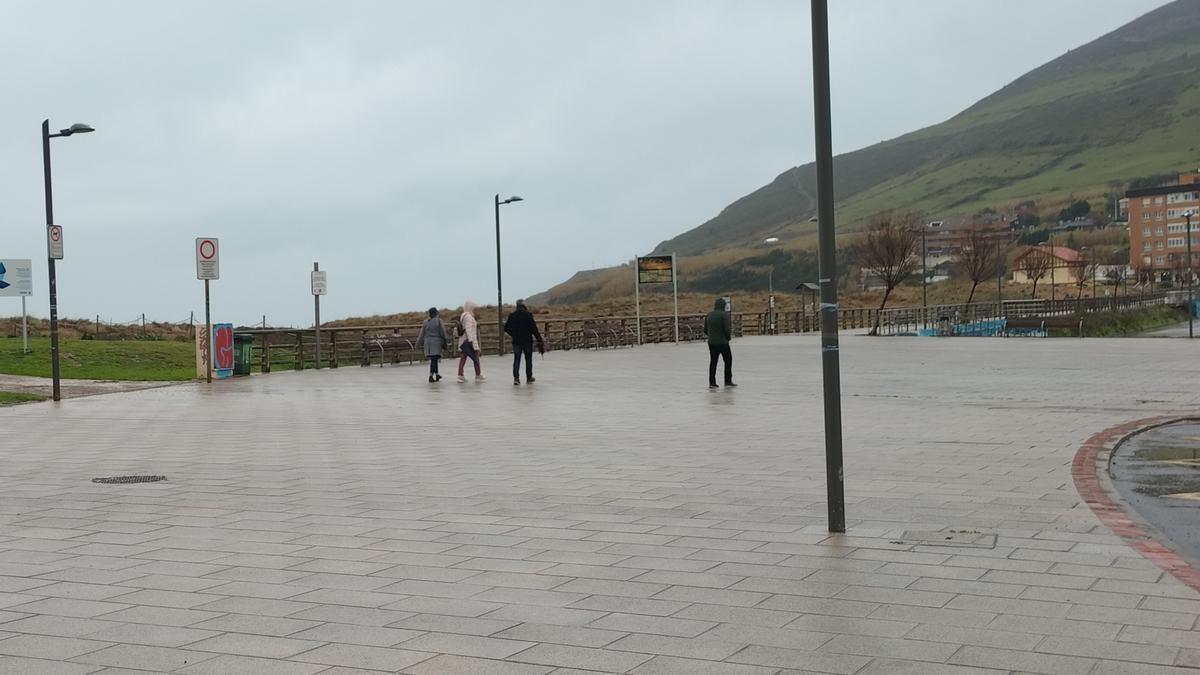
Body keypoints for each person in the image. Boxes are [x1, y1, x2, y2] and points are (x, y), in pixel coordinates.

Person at [504, 299, 544, 385]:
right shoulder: (528, 315)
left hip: (516, 341)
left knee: (517, 359)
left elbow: (506, 328)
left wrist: (513, 334)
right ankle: (529, 378)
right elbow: (534, 329)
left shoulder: (512, 315)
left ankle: (516, 378)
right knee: (528, 359)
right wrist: (539, 339)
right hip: (527, 341)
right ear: (523, 305)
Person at [704, 296, 736, 388]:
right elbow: (726, 329)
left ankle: (712, 382)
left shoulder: (709, 314)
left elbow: (705, 330)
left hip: (711, 342)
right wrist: (728, 338)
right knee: (728, 360)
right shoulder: (724, 315)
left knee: (713, 362)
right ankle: (728, 380)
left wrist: (711, 336)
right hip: (722, 342)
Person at [456, 299, 485, 382]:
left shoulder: (464, 315)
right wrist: (470, 340)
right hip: (470, 340)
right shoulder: (468, 316)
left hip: (464, 341)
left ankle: (460, 375)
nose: (474, 310)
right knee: (476, 356)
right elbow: (468, 329)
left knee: (463, 358)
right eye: (473, 308)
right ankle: (478, 374)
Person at [416, 307, 448, 383]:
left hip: (428, 344)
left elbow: (421, 334)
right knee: (434, 360)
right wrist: (445, 340)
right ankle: (431, 375)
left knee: (434, 359)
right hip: (436, 343)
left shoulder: (425, 322)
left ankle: (437, 374)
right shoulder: (439, 321)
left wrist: (417, 344)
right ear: (436, 314)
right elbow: (442, 332)